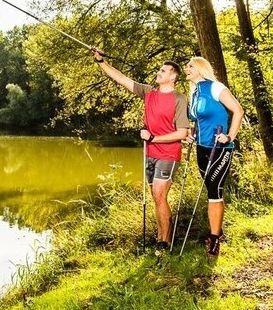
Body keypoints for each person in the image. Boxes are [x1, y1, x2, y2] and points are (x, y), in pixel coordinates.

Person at [93, 48, 189, 247]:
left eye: (163, 71)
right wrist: (101, 61)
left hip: (169, 154)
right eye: (159, 70)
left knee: (160, 194)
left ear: (173, 76)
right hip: (150, 154)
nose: (159, 73)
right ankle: (160, 237)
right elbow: (120, 78)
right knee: (157, 197)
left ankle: (165, 242)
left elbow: (182, 133)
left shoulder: (179, 99)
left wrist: (153, 138)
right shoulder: (148, 92)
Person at [183, 56, 244, 256]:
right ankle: (219, 230)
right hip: (201, 148)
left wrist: (229, 136)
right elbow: (199, 121)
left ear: (201, 69)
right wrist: (192, 134)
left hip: (220, 148)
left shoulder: (216, 88)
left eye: (191, 66)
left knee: (214, 191)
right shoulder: (193, 92)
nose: (187, 68)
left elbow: (238, 111)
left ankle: (214, 240)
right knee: (211, 188)